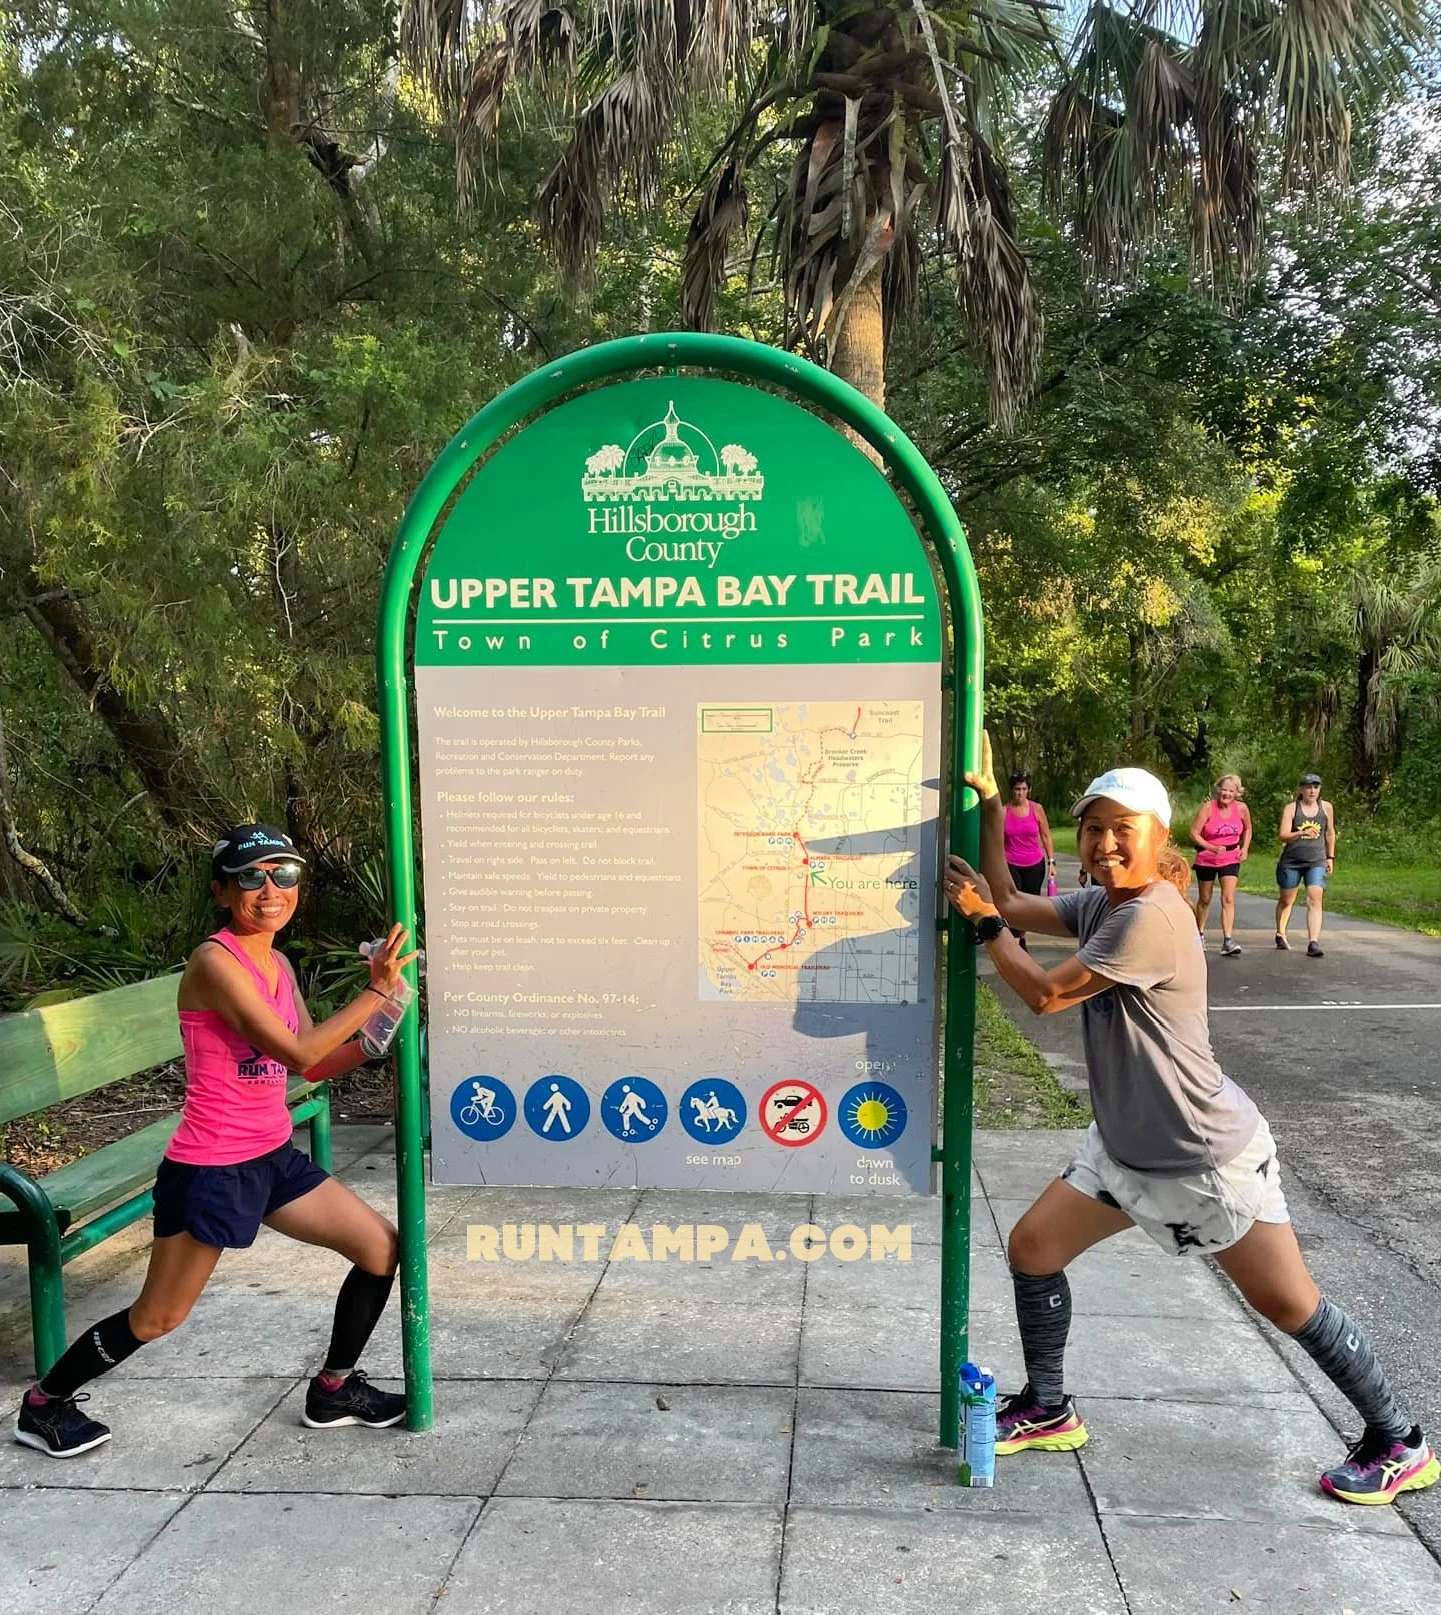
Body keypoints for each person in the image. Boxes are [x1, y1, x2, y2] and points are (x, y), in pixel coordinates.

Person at [942, 738, 1437, 1507]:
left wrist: (981, 927)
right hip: (1127, 1145)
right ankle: (1047, 1407)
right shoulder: (1106, 903)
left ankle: (1398, 1439)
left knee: (1287, 1304)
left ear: (1158, 837)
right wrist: (992, 810)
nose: (1104, 843)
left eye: (1122, 829)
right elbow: (1011, 906)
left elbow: (1040, 992)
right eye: (1093, 828)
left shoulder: (1153, 917)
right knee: (1033, 1247)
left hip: (1198, 1154)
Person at [14, 824, 417, 1459]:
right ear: (222, 891)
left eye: (283, 876)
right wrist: (373, 990)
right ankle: (45, 1403)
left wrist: (375, 1036)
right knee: (157, 1318)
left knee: (379, 1248)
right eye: (250, 878)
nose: (269, 890)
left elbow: (308, 1068)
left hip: (272, 1157)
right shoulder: (214, 962)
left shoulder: (279, 963)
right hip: (213, 1167)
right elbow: (295, 1048)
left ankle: (333, 1388)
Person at [1189, 773, 1252, 956]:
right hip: (1207, 858)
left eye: (1231, 791)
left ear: (1237, 793)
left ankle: (1228, 940)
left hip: (1231, 856)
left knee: (1228, 898)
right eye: (1224, 789)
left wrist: (1245, 848)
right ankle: (1199, 935)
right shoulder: (1208, 808)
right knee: (1205, 898)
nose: (1226, 794)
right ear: (1218, 789)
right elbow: (1194, 833)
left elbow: (1248, 828)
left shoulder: (1241, 809)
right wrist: (1211, 847)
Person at [1275, 773, 1335, 957]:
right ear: (1301, 789)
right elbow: (1283, 835)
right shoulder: (1292, 809)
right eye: (1308, 787)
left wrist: (1330, 857)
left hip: (1316, 860)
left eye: (1316, 787)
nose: (1312, 791)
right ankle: (1280, 932)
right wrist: (1301, 833)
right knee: (1287, 900)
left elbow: (1330, 833)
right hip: (1292, 861)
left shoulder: (1326, 807)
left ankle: (1313, 943)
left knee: (1314, 898)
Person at [1001, 769, 1056, 949]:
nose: (1021, 793)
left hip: (1034, 863)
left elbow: (1046, 836)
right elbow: (999, 841)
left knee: (1029, 902)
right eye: (1017, 789)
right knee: (1014, 901)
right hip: (1012, 863)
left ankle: (1021, 935)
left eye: (1024, 789)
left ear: (1029, 790)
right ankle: (1015, 938)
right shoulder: (1004, 812)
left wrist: (1051, 862)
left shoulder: (1037, 809)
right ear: (1012, 790)